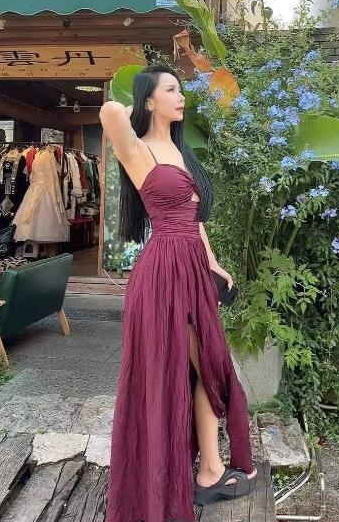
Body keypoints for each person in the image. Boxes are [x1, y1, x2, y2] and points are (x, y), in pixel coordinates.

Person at [100, 64, 257, 522]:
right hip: (161, 273)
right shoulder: (138, 149)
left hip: (191, 267)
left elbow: (194, 218)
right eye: (170, 89)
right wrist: (133, 100)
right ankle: (205, 471)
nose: (181, 96)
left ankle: (210, 468)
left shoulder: (180, 151)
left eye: (181, 89)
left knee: (208, 367)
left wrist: (212, 262)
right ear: (149, 100)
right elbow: (110, 113)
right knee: (192, 367)